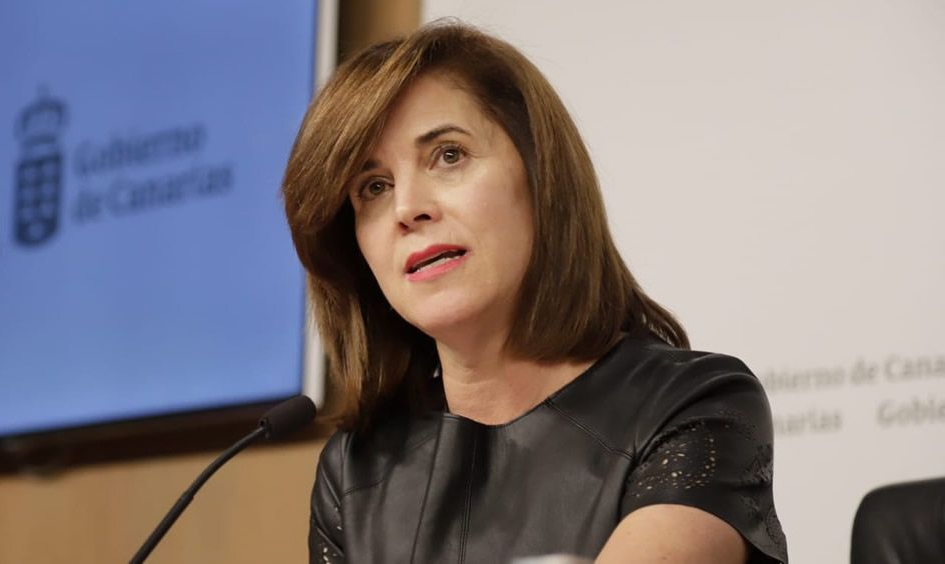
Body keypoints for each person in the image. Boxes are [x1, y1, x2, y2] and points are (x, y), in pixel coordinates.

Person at [281, 22, 787, 564]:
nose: (407, 208)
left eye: (448, 155)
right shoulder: (354, 471)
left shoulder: (692, 404)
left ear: (541, 174)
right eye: (374, 187)